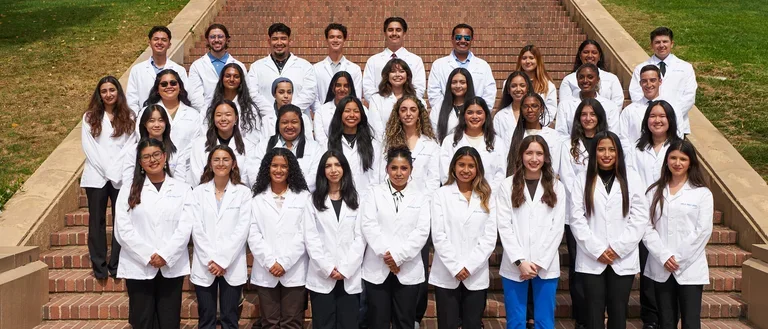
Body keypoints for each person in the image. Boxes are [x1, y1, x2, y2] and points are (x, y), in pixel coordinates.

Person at [569, 131, 649, 329]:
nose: (606, 154)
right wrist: (597, 250)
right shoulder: (582, 178)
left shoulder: (631, 177)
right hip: (591, 257)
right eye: (601, 149)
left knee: (618, 312)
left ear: (619, 153)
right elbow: (576, 218)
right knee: (593, 314)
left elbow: (639, 216)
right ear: (594, 152)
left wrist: (618, 248)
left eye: (612, 150)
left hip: (622, 257)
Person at [114, 138, 193, 329]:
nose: (152, 160)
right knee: (142, 321)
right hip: (138, 265)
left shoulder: (182, 189)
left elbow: (185, 227)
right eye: (146, 157)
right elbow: (123, 229)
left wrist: (165, 255)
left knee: (169, 321)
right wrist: (148, 255)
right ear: (140, 162)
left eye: (157, 154)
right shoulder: (128, 189)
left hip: (171, 265)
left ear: (165, 157)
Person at [643, 139, 713, 329]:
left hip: (690, 267)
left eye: (683, 159)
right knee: (666, 321)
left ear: (691, 162)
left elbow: (703, 231)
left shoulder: (702, 193)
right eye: (673, 158)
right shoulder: (654, 192)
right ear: (666, 161)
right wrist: (664, 256)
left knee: (691, 322)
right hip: (661, 266)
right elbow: (647, 228)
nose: (677, 163)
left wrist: (678, 258)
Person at [497, 135, 566, 329]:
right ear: (521, 155)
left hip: (545, 265)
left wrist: (538, 262)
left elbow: (557, 228)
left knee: (544, 322)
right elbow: (504, 225)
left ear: (546, 157)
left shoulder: (556, 187)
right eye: (529, 153)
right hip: (515, 265)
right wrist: (520, 261)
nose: (534, 158)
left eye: (539, 153)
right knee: (516, 321)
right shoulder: (507, 185)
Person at [361, 147, 431, 329]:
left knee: (404, 321)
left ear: (411, 170)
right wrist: (388, 256)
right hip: (378, 266)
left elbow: (422, 231)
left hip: (407, 268)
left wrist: (398, 257)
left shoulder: (421, 197)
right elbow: (369, 225)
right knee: (377, 321)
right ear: (386, 169)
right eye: (394, 168)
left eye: (404, 168)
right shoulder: (374, 193)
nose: (399, 173)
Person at [430, 146, 497, 329]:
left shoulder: (487, 196)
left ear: (478, 169)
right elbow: (438, 235)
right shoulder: (440, 194)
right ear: (453, 167)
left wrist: (469, 266)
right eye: (461, 165)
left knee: (473, 324)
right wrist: (456, 266)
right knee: (447, 324)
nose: (466, 170)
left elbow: (489, 237)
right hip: (446, 271)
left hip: (475, 273)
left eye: (471, 166)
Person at [558, 99, 609, 329]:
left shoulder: (608, 143)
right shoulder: (569, 145)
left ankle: (599, 313)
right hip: (577, 214)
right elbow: (568, 179)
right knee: (579, 266)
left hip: (605, 214)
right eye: (584, 114)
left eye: (592, 114)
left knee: (602, 265)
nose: (588, 118)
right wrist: (585, 201)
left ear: (599, 117)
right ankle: (582, 316)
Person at [189, 145, 252, 329]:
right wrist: (212, 260)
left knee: (230, 320)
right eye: (216, 159)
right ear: (210, 163)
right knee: (206, 319)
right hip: (205, 263)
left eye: (225, 159)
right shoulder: (198, 192)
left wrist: (223, 260)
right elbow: (196, 228)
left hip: (231, 264)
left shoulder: (243, 193)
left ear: (233, 164)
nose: (221, 163)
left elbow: (242, 229)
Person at [248, 148, 311, 329]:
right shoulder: (257, 199)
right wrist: (270, 262)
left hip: (294, 269)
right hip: (266, 269)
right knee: (270, 322)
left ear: (291, 169)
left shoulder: (304, 197)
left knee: (292, 322)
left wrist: (284, 262)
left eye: (284, 166)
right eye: (274, 165)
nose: (279, 170)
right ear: (267, 168)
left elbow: (304, 233)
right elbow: (253, 234)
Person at [81, 76, 137, 279]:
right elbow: (90, 149)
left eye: (112, 90)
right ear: (99, 94)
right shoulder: (89, 117)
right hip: (96, 176)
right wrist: (108, 170)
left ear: (118, 92)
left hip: (121, 176)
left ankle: (116, 263)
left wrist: (116, 170)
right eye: (104, 91)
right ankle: (99, 266)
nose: (108, 94)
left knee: (120, 219)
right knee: (97, 220)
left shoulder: (130, 116)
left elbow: (131, 145)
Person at [304, 150, 366, 329]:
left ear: (344, 168)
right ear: (322, 171)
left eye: (337, 165)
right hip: (322, 275)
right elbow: (311, 238)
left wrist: (346, 268)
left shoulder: (357, 199)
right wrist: (328, 267)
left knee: (349, 324)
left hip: (349, 274)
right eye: (328, 166)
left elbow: (360, 238)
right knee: (324, 324)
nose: (333, 170)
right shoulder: (313, 200)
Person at [629, 27, 697, 135]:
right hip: (649, 125)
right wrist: (652, 115)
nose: (661, 45)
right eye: (657, 42)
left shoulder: (686, 67)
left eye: (665, 41)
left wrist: (671, 115)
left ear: (672, 43)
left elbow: (689, 96)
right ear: (651, 45)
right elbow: (636, 94)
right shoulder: (640, 68)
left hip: (677, 124)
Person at [247, 23, 317, 116]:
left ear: (290, 41)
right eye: (275, 39)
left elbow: (309, 93)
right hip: (266, 122)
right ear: (269, 42)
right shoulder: (256, 67)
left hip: (297, 121)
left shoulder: (305, 66)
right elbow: (252, 94)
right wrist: (272, 112)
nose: (279, 43)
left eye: (283, 38)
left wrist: (290, 112)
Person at [440, 97, 507, 191]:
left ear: (486, 115)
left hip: (488, 199)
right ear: (463, 115)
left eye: (479, 113)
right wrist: (459, 194)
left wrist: (486, 194)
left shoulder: (497, 143)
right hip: (456, 197)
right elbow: (445, 173)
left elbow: (500, 174)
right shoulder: (449, 141)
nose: (474, 116)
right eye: (470, 112)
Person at [253, 104, 324, 192]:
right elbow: (254, 173)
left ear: (301, 124)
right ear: (278, 124)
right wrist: (276, 191)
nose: (289, 126)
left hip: (302, 198)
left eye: (294, 122)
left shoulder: (314, 148)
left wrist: (291, 193)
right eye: (284, 122)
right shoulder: (263, 146)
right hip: (269, 198)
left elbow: (315, 177)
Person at [427, 24, 496, 112]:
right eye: (458, 37)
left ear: (472, 40)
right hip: (447, 117)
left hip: (475, 118)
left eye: (467, 38)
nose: (463, 41)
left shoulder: (483, 66)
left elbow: (489, 94)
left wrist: (479, 112)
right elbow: (434, 93)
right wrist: (448, 114)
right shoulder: (439, 65)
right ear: (452, 39)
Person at [189, 99, 257, 187]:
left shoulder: (248, 146)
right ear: (213, 118)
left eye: (228, 115)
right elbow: (196, 174)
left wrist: (231, 192)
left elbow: (248, 177)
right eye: (219, 115)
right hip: (205, 195)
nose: (223, 119)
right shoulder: (199, 144)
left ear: (236, 118)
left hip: (237, 196)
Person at [327, 96, 384, 197]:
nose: (352, 115)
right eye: (347, 111)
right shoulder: (328, 145)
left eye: (356, 111)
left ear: (362, 115)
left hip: (367, 200)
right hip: (339, 198)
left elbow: (378, 177)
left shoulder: (374, 145)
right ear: (340, 114)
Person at [139, 69, 200, 161]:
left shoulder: (193, 114)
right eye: (164, 84)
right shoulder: (145, 112)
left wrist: (177, 159)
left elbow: (196, 142)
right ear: (157, 90)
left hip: (186, 168)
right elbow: (141, 137)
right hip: (153, 164)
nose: (169, 86)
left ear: (180, 87)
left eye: (173, 83)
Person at [126, 26, 189, 114]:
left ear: (169, 44)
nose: (159, 42)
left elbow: (184, 96)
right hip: (144, 120)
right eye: (156, 39)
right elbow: (131, 99)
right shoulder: (137, 70)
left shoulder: (179, 70)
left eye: (164, 40)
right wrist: (139, 118)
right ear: (149, 42)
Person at [383, 95, 441, 191]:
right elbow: (383, 175)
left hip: (422, 200)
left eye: (413, 110)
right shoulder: (388, 143)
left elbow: (433, 180)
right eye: (403, 110)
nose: (408, 114)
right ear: (398, 114)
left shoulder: (431, 145)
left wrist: (423, 201)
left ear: (419, 114)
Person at [203, 62, 268, 146]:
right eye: (228, 76)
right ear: (222, 79)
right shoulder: (210, 106)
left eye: (236, 77)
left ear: (241, 80)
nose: (232, 79)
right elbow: (204, 129)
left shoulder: (250, 109)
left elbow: (254, 136)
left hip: (242, 152)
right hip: (214, 150)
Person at [363, 17, 426, 101]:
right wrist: (381, 104)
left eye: (398, 30)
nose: (394, 33)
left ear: (404, 33)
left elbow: (419, 88)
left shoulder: (416, 60)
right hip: (380, 109)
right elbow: (368, 89)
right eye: (390, 30)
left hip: (406, 110)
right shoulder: (373, 61)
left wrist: (403, 105)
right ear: (385, 33)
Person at [187, 23, 247, 111]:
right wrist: (211, 113)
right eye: (212, 37)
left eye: (220, 36)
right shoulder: (197, 66)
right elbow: (194, 97)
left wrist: (231, 112)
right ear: (207, 40)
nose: (216, 40)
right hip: (205, 115)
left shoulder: (239, 66)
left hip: (234, 113)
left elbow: (244, 92)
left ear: (227, 39)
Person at [123, 105, 188, 185]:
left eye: (161, 120)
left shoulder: (176, 152)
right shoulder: (134, 151)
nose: (157, 125)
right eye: (151, 121)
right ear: (144, 124)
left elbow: (180, 182)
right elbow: (127, 182)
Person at [506, 93, 566, 179]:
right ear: (521, 110)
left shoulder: (553, 135)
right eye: (525, 106)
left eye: (534, 106)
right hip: (519, 183)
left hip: (546, 183)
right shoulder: (512, 134)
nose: (530, 110)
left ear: (541, 109)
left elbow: (555, 166)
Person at [555, 63, 620, 137]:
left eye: (590, 77)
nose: (585, 80)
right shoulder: (565, 105)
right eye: (581, 77)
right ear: (577, 80)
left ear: (598, 80)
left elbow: (613, 134)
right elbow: (561, 134)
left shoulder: (610, 106)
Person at [629, 100, 682, 189]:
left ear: (670, 119)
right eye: (652, 116)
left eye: (662, 116)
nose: (657, 120)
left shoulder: (680, 148)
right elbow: (630, 179)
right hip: (641, 201)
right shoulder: (636, 148)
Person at [312, 23, 363, 113]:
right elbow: (314, 97)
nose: (335, 40)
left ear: (344, 40)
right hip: (324, 116)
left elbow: (356, 96)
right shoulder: (316, 69)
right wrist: (321, 113)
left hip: (347, 116)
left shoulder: (354, 69)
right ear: (326, 40)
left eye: (339, 37)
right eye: (331, 37)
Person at [558, 40, 624, 109]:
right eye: (586, 52)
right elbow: (565, 106)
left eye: (594, 52)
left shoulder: (612, 78)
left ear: (599, 56)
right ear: (580, 55)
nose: (590, 55)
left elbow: (617, 104)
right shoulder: (568, 80)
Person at [619, 65, 670, 151]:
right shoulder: (629, 111)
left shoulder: (672, 108)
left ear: (660, 81)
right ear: (640, 84)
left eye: (653, 80)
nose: (649, 84)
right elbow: (622, 138)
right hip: (635, 159)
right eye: (644, 81)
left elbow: (676, 136)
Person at [367, 58, 420, 135]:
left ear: (407, 75)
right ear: (387, 75)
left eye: (402, 71)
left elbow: (420, 126)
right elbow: (375, 129)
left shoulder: (416, 99)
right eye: (393, 72)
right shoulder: (376, 99)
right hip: (384, 144)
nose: (397, 75)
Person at [314, 71, 366, 145]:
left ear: (351, 88)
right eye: (338, 85)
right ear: (333, 87)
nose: (342, 89)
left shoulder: (362, 110)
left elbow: (365, 134)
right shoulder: (321, 111)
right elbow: (320, 139)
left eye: (346, 86)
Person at [431, 68, 476, 143]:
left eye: (462, 82)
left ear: (468, 84)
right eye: (454, 82)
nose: (458, 86)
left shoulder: (476, 107)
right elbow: (434, 136)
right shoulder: (438, 108)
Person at [516, 45, 557, 123]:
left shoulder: (548, 86)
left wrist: (535, 125)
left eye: (531, 58)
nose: (527, 61)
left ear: (538, 60)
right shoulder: (511, 84)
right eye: (524, 58)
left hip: (539, 129)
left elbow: (550, 112)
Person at [493, 71, 533, 143]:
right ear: (508, 90)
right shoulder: (500, 116)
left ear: (527, 89)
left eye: (522, 85)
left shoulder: (535, 113)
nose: (518, 89)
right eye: (514, 86)